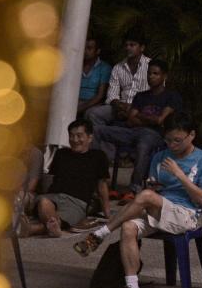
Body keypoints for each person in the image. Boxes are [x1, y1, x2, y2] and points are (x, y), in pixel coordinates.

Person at [74, 112, 202, 288]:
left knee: (145, 195)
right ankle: (132, 287)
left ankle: (100, 234)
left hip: (186, 215)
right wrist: (155, 187)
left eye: (177, 140)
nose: (172, 145)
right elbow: (155, 187)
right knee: (128, 227)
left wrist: (180, 175)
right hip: (158, 209)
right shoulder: (160, 157)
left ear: (192, 135)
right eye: (168, 140)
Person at [93, 59, 182, 199]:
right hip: (132, 131)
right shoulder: (141, 96)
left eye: (155, 73)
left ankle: (134, 189)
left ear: (165, 76)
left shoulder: (171, 96)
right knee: (97, 130)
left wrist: (140, 116)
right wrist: (149, 119)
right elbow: (130, 120)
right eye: (149, 73)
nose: (151, 76)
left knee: (144, 143)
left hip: (155, 135)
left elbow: (161, 121)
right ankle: (98, 181)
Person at [17, 119, 109, 238]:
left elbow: (101, 185)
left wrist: (107, 213)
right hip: (53, 195)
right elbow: (50, 179)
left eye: (79, 136)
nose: (75, 140)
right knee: (43, 202)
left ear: (89, 138)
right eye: (71, 136)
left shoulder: (98, 156)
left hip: (76, 201)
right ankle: (51, 227)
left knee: (59, 216)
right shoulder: (61, 154)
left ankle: (34, 228)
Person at [86, 29, 149, 129]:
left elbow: (156, 95)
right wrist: (119, 106)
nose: (128, 48)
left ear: (142, 47)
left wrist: (132, 109)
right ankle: (106, 141)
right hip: (119, 107)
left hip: (142, 109)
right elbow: (112, 95)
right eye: (126, 45)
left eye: (132, 45)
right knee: (92, 113)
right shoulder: (118, 67)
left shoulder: (151, 66)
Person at [78, 35, 110, 117]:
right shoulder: (75, 65)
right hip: (74, 101)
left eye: (89, 48)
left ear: (97, 51)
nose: (85, 51)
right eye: (84, 48)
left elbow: (100, 95)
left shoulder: (104, 67)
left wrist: (80, 108)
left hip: (92, 103)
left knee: (90, 113)